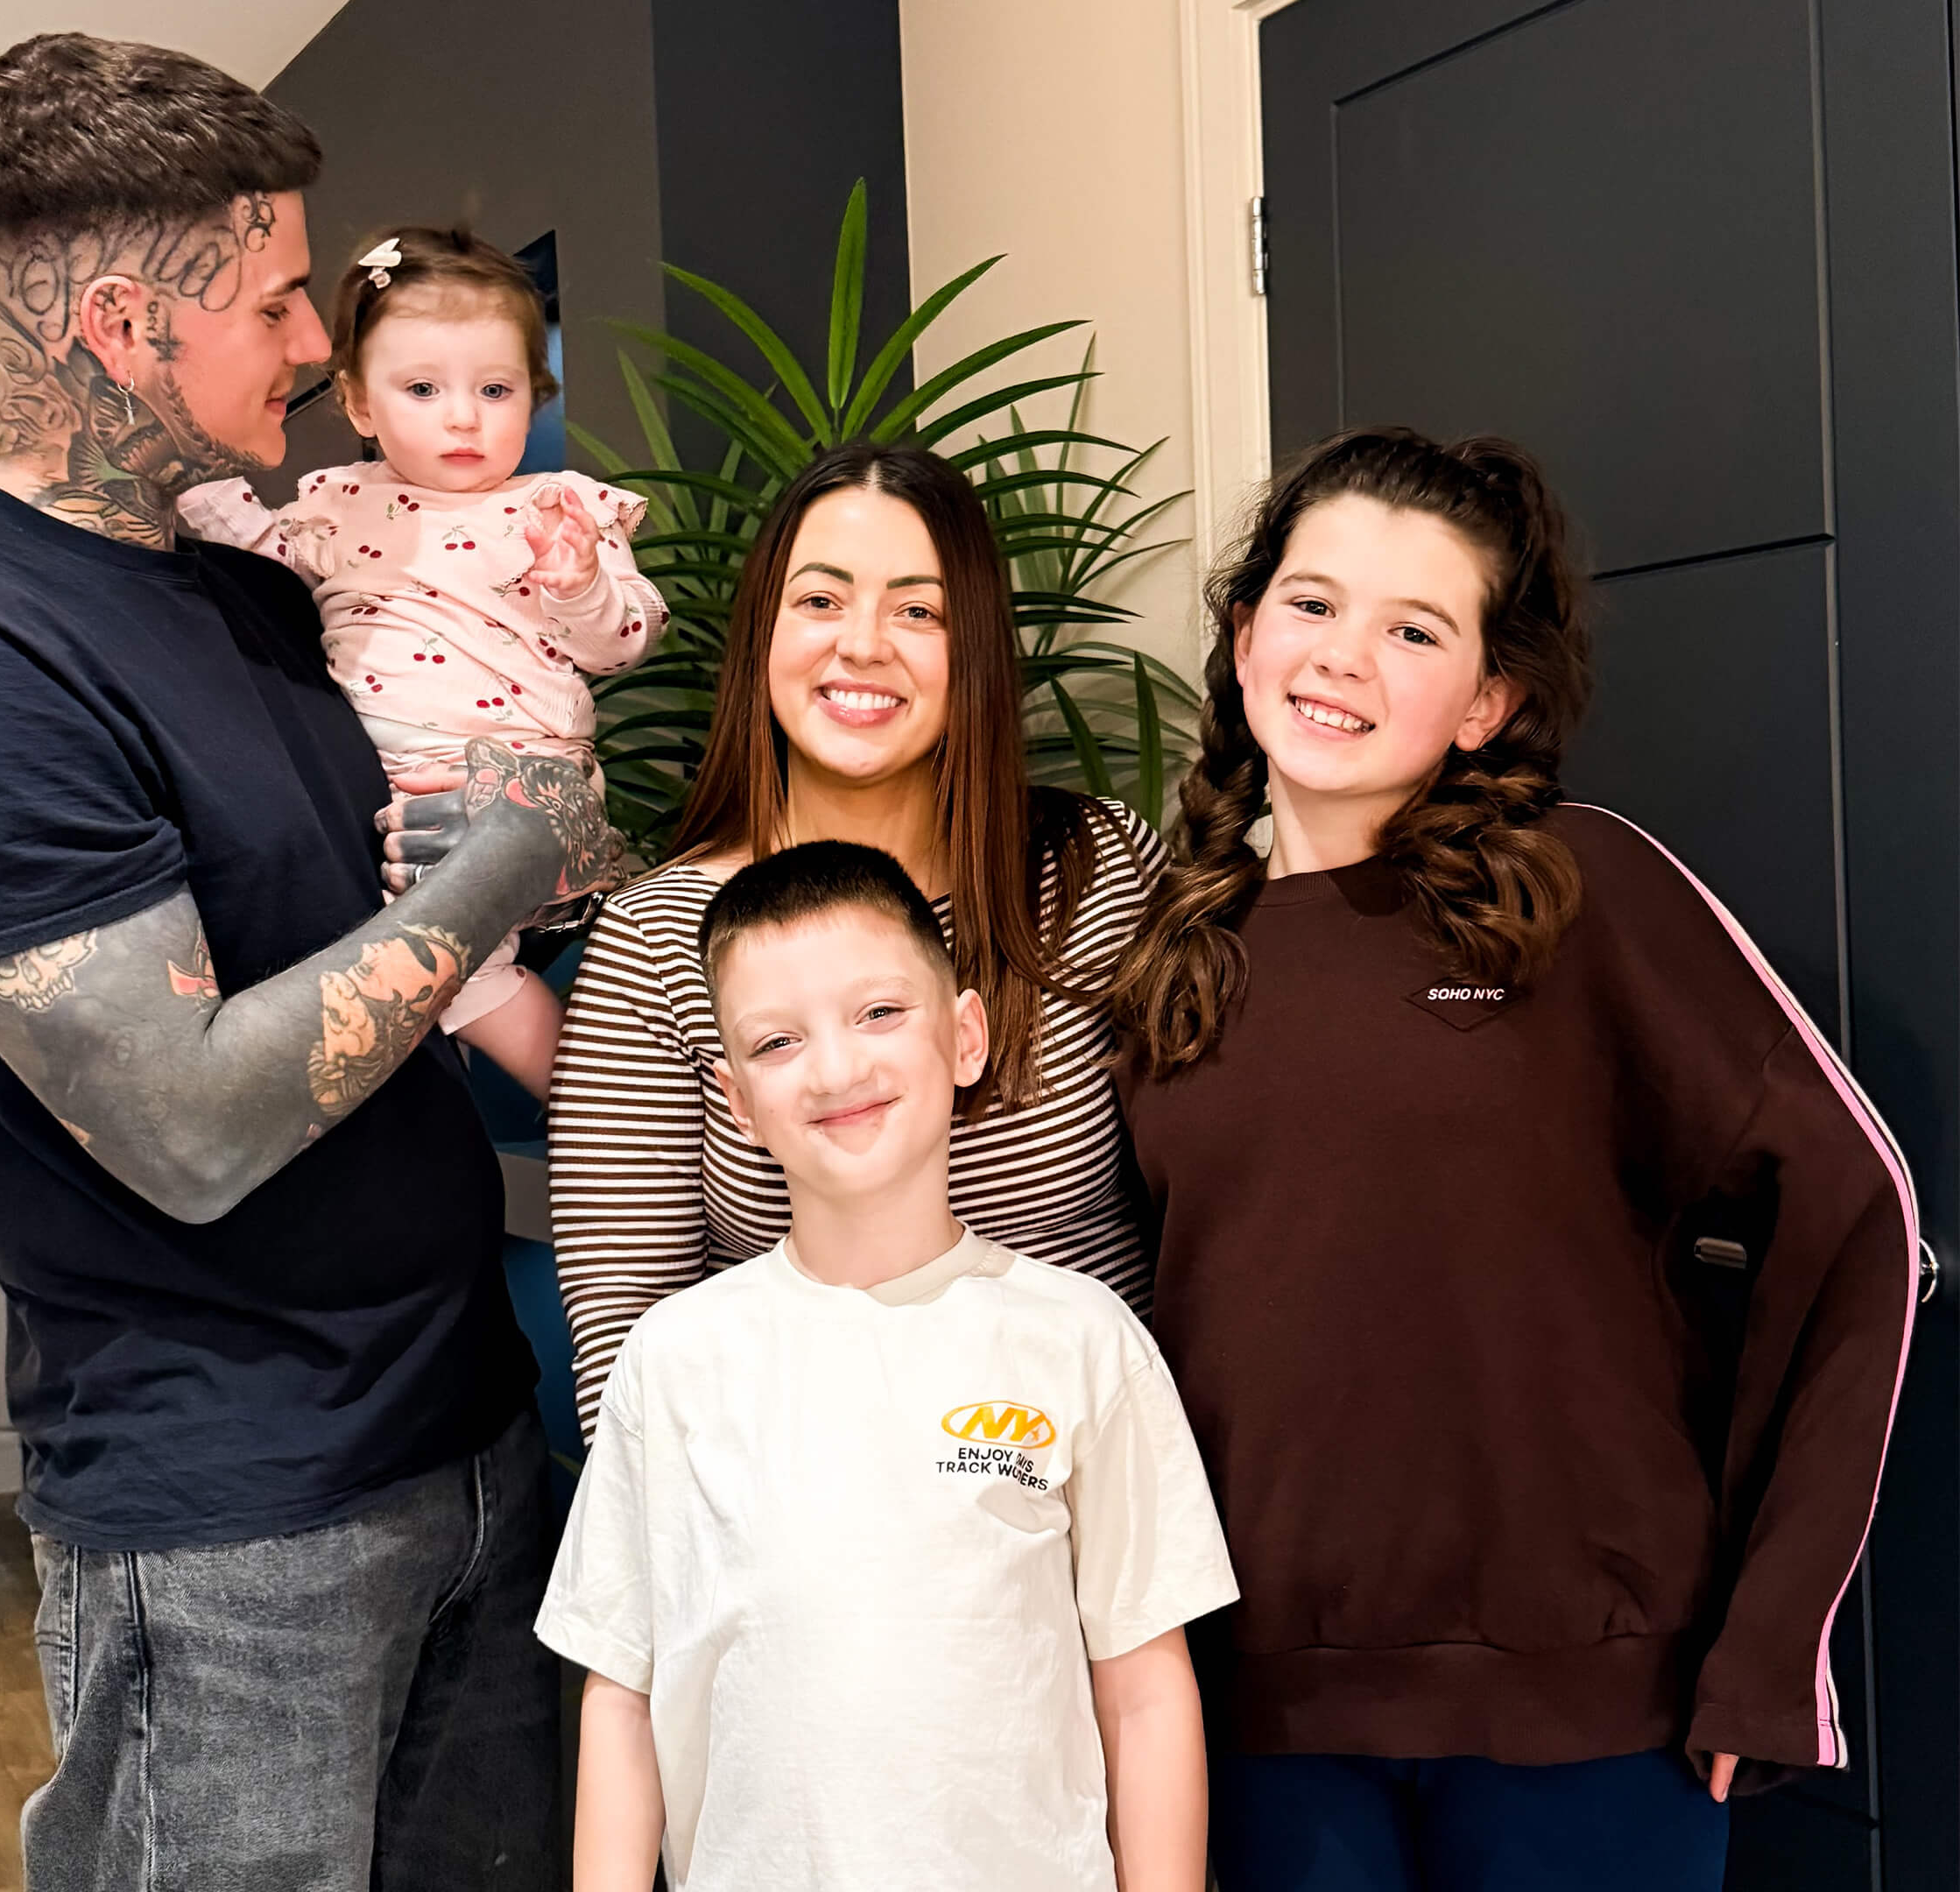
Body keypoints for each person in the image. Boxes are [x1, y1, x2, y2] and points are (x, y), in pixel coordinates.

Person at [0, 35, 623, 1890]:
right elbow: (183, 1124)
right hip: (238, 1525)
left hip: (467, 1430)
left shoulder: (264, 592)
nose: (319, 347)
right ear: (115, 322)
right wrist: (504, 867)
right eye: (270, 303)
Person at [1109, 427, 1918, 1892]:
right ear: (1242, 638)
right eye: (1311, 602)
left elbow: (1864, 1219)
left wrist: (1771, 1641)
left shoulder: (1582, 890)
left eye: (1413, 628)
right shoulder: (1171, 953)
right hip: (1259, 1719)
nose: (1344, 654)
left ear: (1486, 701)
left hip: (1590, 1718)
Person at [537, 840, 1239, 1890]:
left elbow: (1144, 1691)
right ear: (735, 1099)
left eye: (878, 1014)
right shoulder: (677, 1358)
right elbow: (624, 1692)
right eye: (777, 1041)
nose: (836, 1068)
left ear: (964, 1036)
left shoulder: (1082, 1341)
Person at [550, 441, 1165, 1438]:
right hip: (805, 1517)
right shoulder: (660, 939)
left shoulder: (1096, 868)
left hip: (1090, 1495)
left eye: (918, 610)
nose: (864, 645)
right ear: (764, 633)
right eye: (821, 601)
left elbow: (1223, 1208)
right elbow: (628, 1351)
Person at [181, 224, 666, 1099]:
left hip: (519, 793)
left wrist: (581, 582)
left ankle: (601, 1109)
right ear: (360, 405)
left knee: (450, 968)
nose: (463, 416)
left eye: (495, 388)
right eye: (422, 388)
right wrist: (204, 495)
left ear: (534, 393)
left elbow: (626, 639)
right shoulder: (337, 505)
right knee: (406, 971)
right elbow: (268, 570)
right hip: (397, 809)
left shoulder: (556, 509)